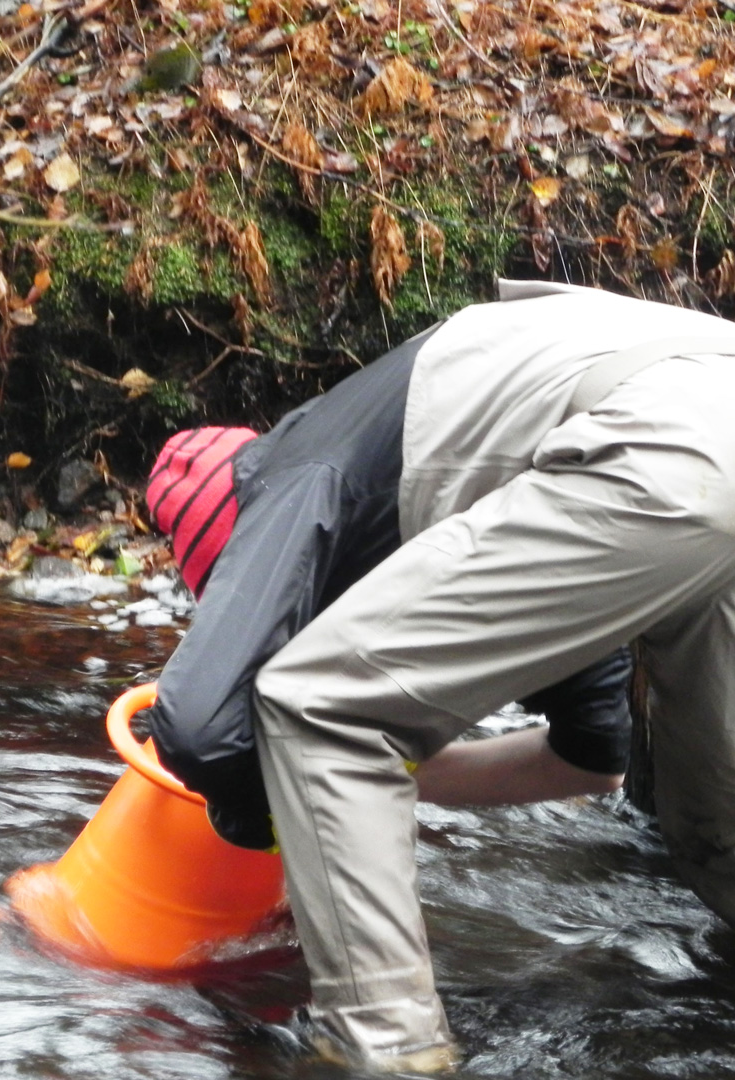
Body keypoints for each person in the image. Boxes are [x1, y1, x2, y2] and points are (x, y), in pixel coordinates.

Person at [141, 279, 735, 1073]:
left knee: (319, 709)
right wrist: (384, 787)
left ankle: (388, 1056)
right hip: (689, 429)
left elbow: (200, 725)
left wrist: (268, 813)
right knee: (712, 828)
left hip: (670, 446)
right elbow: (596, 752)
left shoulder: (282, 476)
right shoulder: (487, 460)